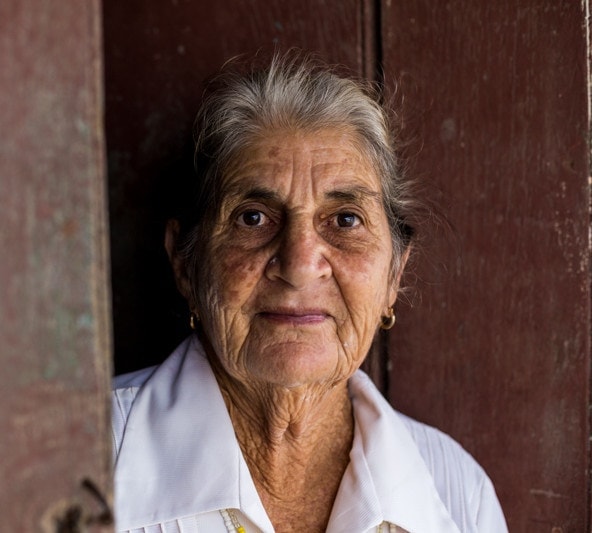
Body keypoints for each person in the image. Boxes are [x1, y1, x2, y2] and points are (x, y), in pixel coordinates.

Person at [111, 49, 508, 532]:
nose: (300, 266)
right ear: (184, 262)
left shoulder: (457, 494)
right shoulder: (73, 460)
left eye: (345, 220)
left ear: (395, 274)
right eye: (252, 217)